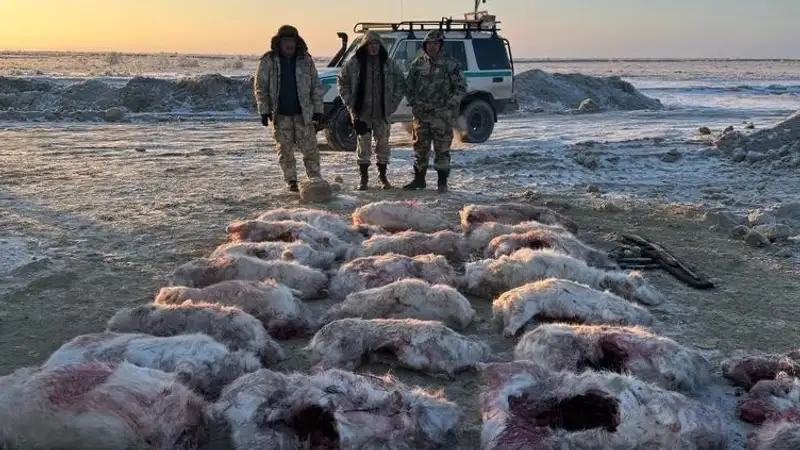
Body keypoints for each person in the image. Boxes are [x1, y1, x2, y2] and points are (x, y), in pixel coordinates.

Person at [254, 25, 325, 192]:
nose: (289, 44)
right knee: (285, 150)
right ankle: (291, 180)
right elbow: (260, 87)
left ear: (297, 42)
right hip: (281, 115)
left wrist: (318, 110)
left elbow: (316, 86)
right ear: (279, 43)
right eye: (286, 41)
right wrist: (263, 110)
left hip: (303, 115)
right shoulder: (269, 60)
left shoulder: (305, 60)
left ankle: (314, 178)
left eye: (292, 40)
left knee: (310, 149)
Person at [336, 31, 406, 191]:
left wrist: (392, 104)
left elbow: (400, 83)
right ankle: (364, 178)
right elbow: (342, 82)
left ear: (380, 46)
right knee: (363, 145)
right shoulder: (354, 63)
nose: (373, 48)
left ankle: (383, 177)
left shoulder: (388, 63)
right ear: (365, 46)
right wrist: (350, 105)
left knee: (383, 145)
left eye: (376, 44)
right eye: (370, 45)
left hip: (382, 113)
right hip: (362, 113)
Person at [402, 29, 467, 194]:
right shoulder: (418, 64)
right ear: (425, 45)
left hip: (441, 116)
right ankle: (419, 180)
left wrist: (448, 107)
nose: (432, 47)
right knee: (420, 148)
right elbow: (409, 87)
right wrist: (415, 104)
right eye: (429, 44)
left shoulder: (451, 64)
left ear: (441, 45)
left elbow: (460, 88)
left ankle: (442, 183)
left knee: (442, 149)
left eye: (435, 44)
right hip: (421, 115)